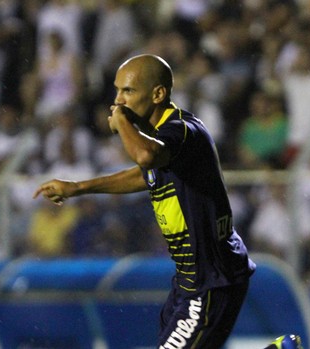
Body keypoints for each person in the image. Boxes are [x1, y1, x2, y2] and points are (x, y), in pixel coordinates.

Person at [33, 54, 256, 348]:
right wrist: (78, 188)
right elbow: (144, 173)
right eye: (117, 90)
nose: (118, 101)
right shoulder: (162, 140)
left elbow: (146, 156)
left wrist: (123, 122)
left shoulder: (183, 131)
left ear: (158, 94)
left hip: (211, 281)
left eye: (128, 91)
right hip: (190, 281)